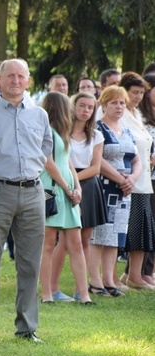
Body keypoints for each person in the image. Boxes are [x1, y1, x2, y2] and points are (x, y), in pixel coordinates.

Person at [0, 59, 52, 345]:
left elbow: (46, 148)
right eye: (10, 76)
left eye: (21, 76)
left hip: (32, 193)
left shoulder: (40, 115)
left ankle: (27, 327)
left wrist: (32, 171)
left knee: (30, 264)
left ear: (28, 81)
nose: (16, 81)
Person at [48, 92, 107, 299]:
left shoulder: (96, 135)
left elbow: (96, 167)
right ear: (73, 107)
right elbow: (59, 161)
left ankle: (80, 288)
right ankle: (52, 288)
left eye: (90, 108)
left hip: (86, 186)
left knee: (83, 240)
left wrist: (76, 185)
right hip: (63, 182)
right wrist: (70, 185)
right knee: (62, 242)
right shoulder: (61, 130)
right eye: (82, 106)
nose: (86, 110)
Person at [37, 93, 93, 305]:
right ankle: (47, 294)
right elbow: (48, 164)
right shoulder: (47, 132)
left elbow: (68, 162)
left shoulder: (62, 134)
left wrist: (76, 187)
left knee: (76, 242)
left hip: (68, 190)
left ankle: (84, 294)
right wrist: (68, 188)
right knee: (49, 242)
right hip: (52, 190)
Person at [89, 86, 141, 297]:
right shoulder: (97, 129)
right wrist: (120, 178)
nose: (119, 107)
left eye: (122, 103)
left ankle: (110, 279)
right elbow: (97, 159)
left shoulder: (126, 130)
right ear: (103, 105)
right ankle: (95, 281)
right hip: (104, 187)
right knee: (99, 234)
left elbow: (136, 159)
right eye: (114, 103)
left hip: (124, 191)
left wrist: (133, 178)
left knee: (116, 235)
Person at [118, 72, 155, 290]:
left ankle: (134, 275)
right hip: (129, 178)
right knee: (132, 229)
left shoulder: (137, 114)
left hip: (144, 179)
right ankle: (131, 275)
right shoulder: (121, 113)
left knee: (143, 229)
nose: (138, 97)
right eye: (135, 92)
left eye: (142, 93)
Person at [136, 73, 155, 286]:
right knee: (148, 226)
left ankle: (149, 270)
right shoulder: (139, 117)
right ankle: (141, 271)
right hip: (147, 178)